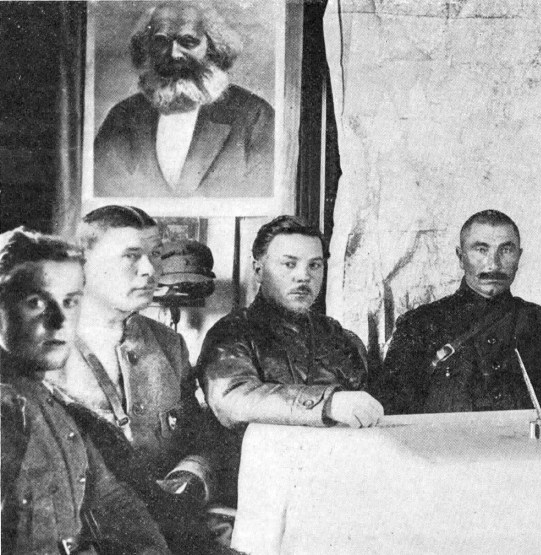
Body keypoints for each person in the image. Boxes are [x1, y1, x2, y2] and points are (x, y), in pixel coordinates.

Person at [43, 205, 220, 552]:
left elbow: (200, 437)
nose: (150, 270)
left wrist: (189, 478)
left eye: (155, 255)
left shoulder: (168, 345)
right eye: (131, 256)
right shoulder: (39, 347)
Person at [0, 228, 169, 554]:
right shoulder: (7, 411)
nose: (59, 320)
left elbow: (118, 507)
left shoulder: (57, 407)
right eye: (36, 302)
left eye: (70, 302)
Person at [198, 215, 382, 505]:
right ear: (258, 270)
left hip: (341, 491)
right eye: (289, 264)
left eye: (314, 265)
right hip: (261, 496)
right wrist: (328, 404)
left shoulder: (341, 339)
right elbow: (233, 398)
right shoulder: (232, 334)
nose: (303, 276)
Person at [378, 210, 541, 414]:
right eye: (481, 250)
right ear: (461, 257)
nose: (494, 264)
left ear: (519, 257)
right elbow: (391, 411)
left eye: (506, 250)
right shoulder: (419, 325)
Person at [94, 2, 274, 198]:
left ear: (213, 46)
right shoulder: (122, 116)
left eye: (188, 42)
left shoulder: (254, 115)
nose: (174, 53)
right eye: (161, 41)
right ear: (147, 47)